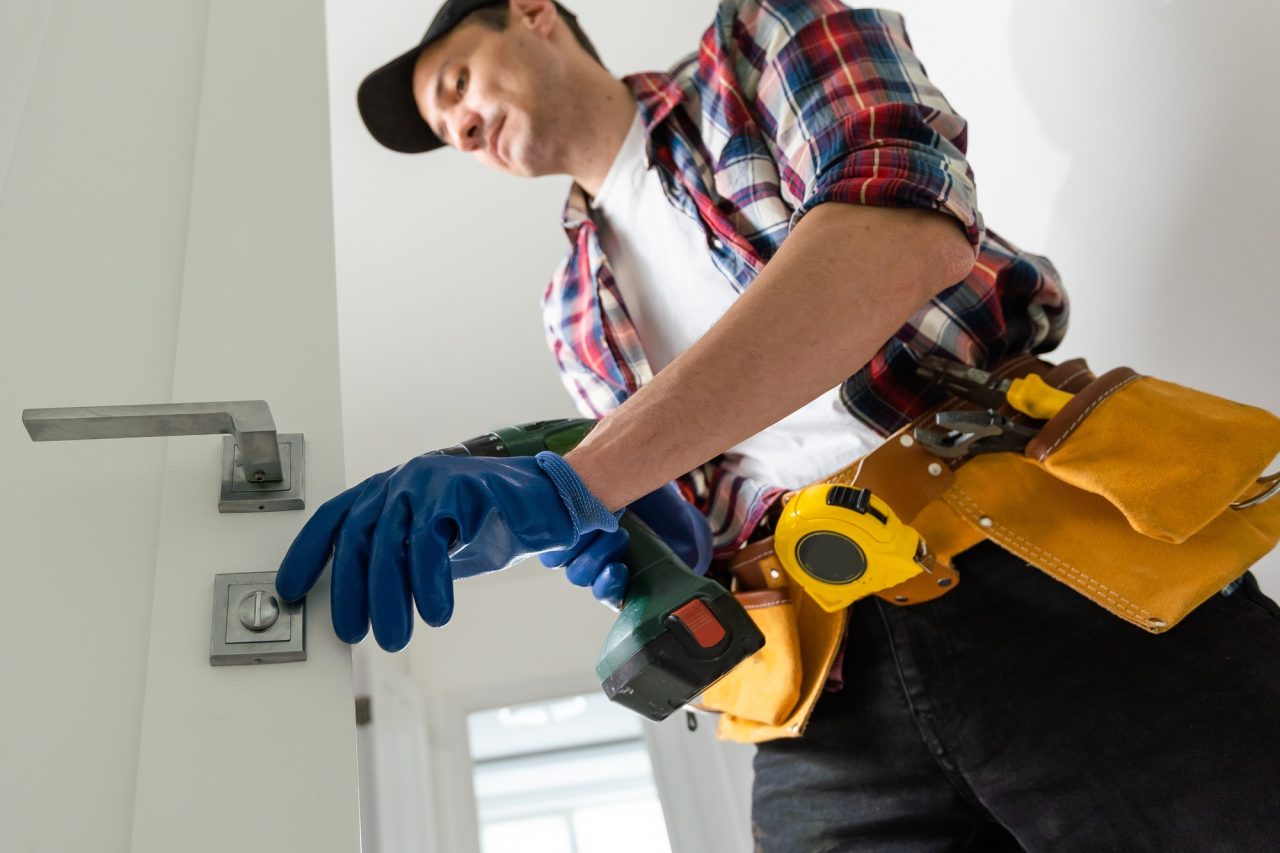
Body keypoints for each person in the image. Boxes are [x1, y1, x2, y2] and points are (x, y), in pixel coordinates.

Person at [277, 1, 1280, 849]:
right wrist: (653, 545)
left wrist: (578, 480)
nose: (455, 126)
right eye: (439, 125)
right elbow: (698, 508)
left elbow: (898, 235)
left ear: (534, 16)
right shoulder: (569, 309)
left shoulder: (756, 39)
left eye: (452, 84)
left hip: (1037, 565)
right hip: (822, 682)